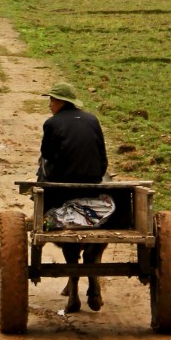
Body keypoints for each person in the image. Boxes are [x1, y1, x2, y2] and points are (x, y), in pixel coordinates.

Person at [37, 81, 109, 314]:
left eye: (52, 100)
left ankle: (74, 294)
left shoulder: (52, 124)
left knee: (42, 170)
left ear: (61, 102)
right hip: (93, 187)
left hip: (63, 190)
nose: (50, 105)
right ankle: (92, 283)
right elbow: (103, 158)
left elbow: (47, 155)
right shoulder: (92, 120)